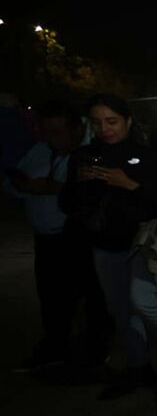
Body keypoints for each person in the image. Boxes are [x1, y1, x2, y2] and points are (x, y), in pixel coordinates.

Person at [59, 94, 157, 399]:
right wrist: (79, 183)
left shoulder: (148, 155)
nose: (104, 129)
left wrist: (130, 184)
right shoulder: (84, 156)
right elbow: (66, 204)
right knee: (120, 309)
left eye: (112, 121)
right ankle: (138, 367)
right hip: (105, 245)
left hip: (143, 242)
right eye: (96, 123)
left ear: (128, 121)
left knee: (143, 300)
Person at [6, 100, 111, 371]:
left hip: (78, 240)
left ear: (77, 130)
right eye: (46, 132)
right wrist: (25, 186)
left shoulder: (93, 152)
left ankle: (93, 354)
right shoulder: (40, 150)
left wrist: (52, 188)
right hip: (45, 239)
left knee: (90, 297)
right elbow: (15, 183)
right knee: (52, 298)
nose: (51, 139)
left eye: (57, 132)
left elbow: (92, 193)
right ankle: (55, 347)